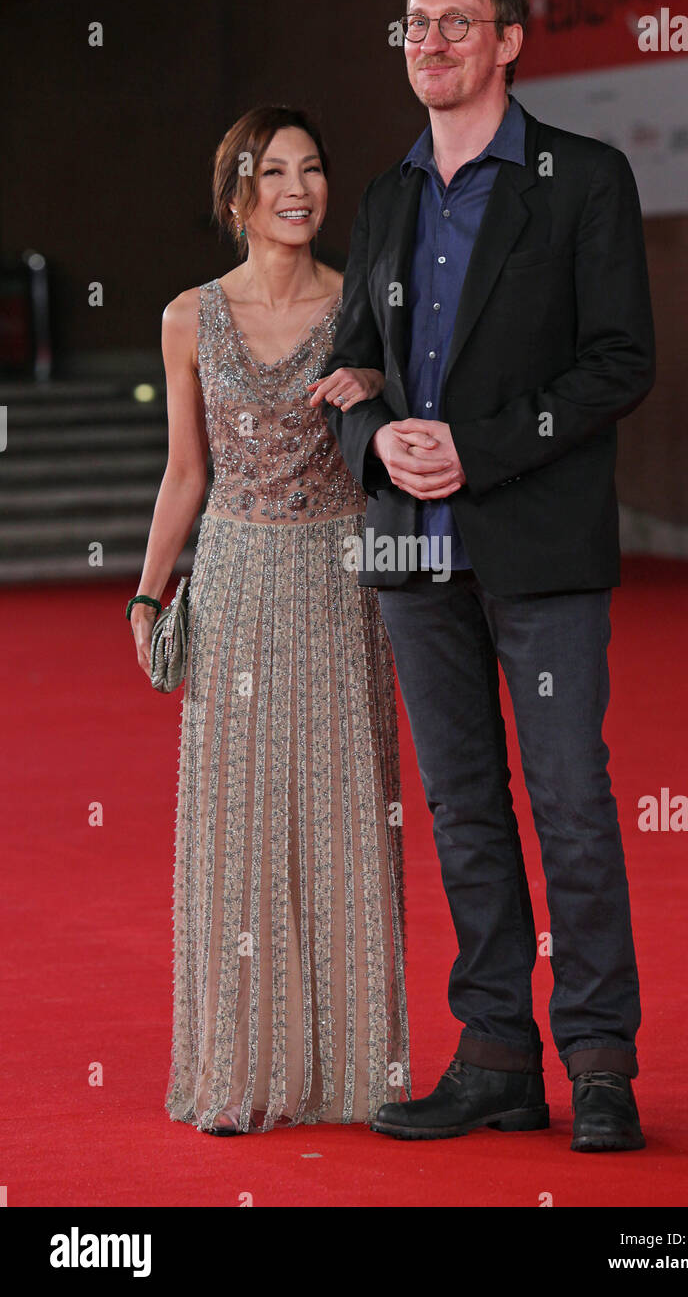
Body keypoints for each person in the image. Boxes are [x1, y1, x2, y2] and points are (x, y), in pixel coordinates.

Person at [320, 0, 655, 1150]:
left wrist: (477, 447)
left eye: (458, 25)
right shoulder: (386, 198)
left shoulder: (583, 179)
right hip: (412, 550)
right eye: (415, 25)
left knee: (568, 799)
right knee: (462, 806)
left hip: (540, 544)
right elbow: (347, 364)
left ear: (510, 41)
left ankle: (601, 1059)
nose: (432, 45)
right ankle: (498, 1055)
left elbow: (621, 361)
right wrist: (375, 438)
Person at [127, 105, 410, 1135]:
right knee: (237, 820)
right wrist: (151, 590)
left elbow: (401, 434)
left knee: (345, 813)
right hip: (237, 576)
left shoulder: (360, 307)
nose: (300, 189)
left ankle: (353, 1076)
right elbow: (185, 472)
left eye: (314, 169)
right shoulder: (185, 317)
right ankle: (239, 1077)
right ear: (237, 192)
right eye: (275, 171)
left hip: (344, 578)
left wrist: (377, 384)